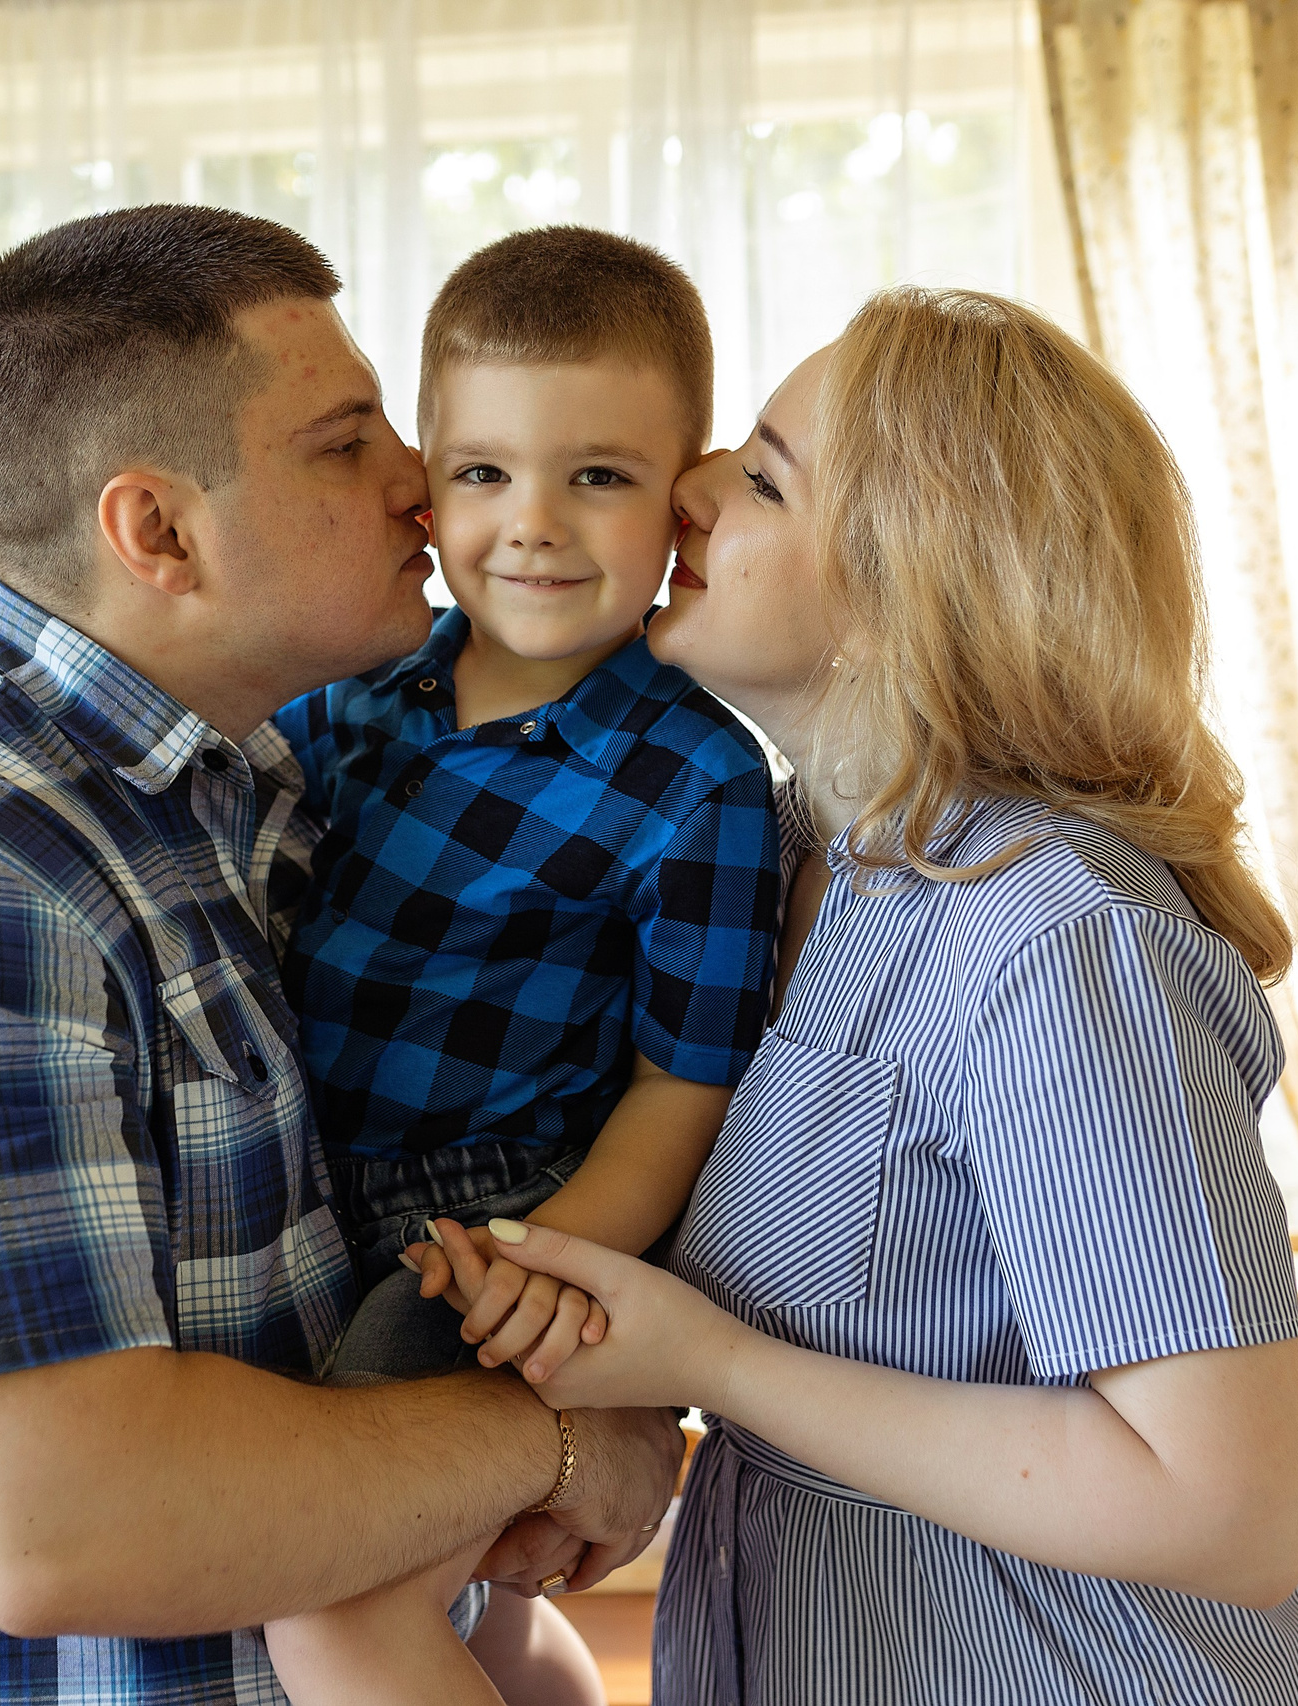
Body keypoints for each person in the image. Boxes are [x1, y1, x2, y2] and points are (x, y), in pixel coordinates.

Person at [0, 205, 684, 1706]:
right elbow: (65, 1524)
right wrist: (562, 1433)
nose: (424, 481)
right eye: (347, 440)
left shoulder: (255, 796)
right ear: (156, 530)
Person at [416, 287, 1298, 1703]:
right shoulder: (784, 857)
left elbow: (1228, 1506)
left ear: (909, 590)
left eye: (765, 474)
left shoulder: (1054, 936)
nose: (696, 485)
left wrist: (714, 1360)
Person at [260, 230, 785, 1704]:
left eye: (599, 477)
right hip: (299, 1191)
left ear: (684, 494)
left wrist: (545, 1273)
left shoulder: (696, 777)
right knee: (455, 1594)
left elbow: (681, 1086)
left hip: (492, 1219)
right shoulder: (349, 687)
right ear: (426, 485)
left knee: (332, 1578)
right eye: (487, 473)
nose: (534, 525)